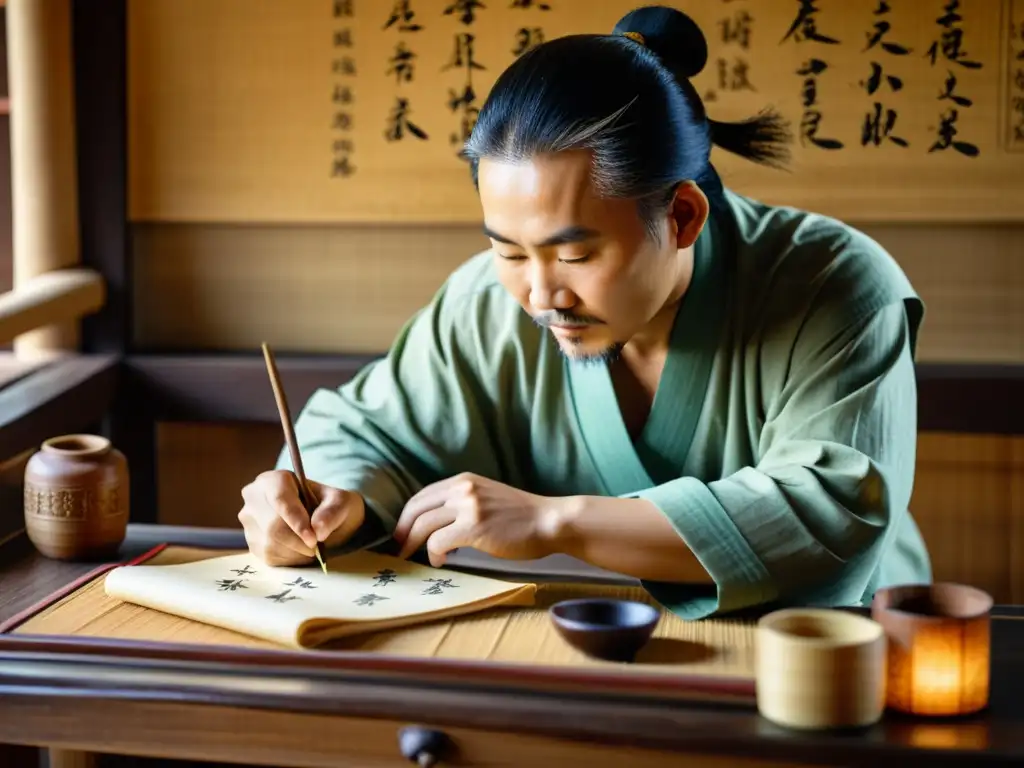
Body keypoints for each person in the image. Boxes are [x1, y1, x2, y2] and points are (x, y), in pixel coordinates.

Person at [237, 5, 932, 619]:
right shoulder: (485, 301)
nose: (540, 295)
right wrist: (330, 501)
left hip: (832, 656)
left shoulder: (834, 286)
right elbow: (366, 431)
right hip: (575, 641)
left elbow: (832, 504)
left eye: (573, 256)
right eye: (509, 251)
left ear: (683, 215)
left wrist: (556, 523)